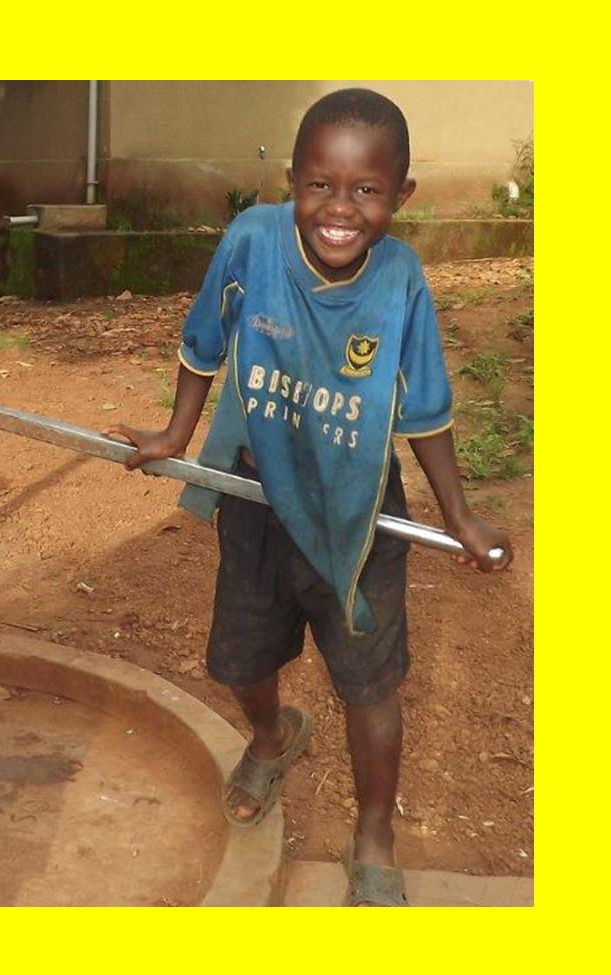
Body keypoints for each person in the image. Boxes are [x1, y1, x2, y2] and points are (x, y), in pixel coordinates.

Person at [104, 88, 513, 907]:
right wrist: (176, 434)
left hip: (358, 512)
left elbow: (425, 410)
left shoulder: (398, 280)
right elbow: (202, 343)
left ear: (402, 196)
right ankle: (271, 733)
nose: (339, 208)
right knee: (240, 661)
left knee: (370, 682)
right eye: (320, 183)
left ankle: (374, 832)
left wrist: (459, 515)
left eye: (366, 190)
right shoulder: (252, 242)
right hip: (255, 492)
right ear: (291, 179)